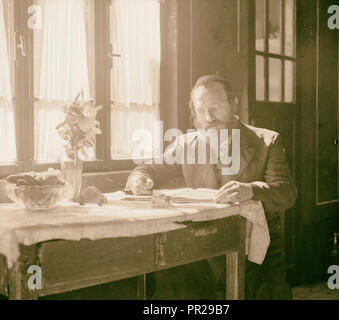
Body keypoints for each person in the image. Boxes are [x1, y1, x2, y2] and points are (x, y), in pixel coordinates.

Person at [125, 75, 297, 299]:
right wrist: (138, 179)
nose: (208, 117)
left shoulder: (266, 141)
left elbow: (286, 192)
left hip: (253, 252)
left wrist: (252, 189)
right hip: (199, 252)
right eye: (201, 109)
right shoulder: (184, 144)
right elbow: (147, 170)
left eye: (215, 107)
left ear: (233, 104)